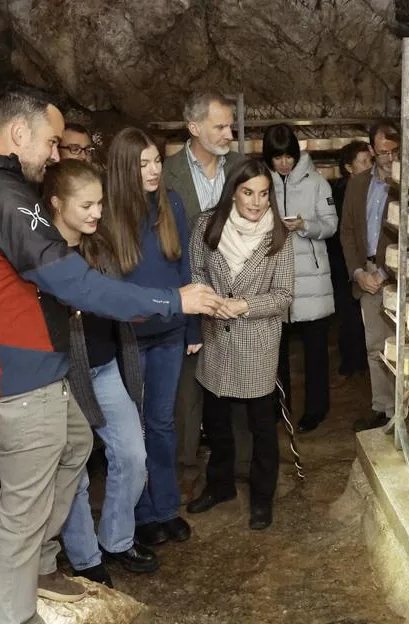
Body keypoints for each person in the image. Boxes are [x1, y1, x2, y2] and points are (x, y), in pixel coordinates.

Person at [0, 88, 222, 624]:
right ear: (20, 132)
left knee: (75, 444)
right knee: (22, 507)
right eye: (51, 142)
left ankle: (47, 564)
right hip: (17, 369)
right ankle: (16, 614)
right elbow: (73, 282)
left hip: (39, 360)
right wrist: (172, 299)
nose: (56, 155)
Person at [43, 159, 157, 588]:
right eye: (87, 204)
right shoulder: (41, 254)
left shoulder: (99, 245)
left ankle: (116, 537)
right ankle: (85, 556)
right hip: (60, 375)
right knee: (72, 468)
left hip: (106, 367)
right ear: (56, 204)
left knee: (132, 454)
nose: (96, 213)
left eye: (100, 204)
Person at [186, 157, 294, 530]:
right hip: (216, 338)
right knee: (216, 423)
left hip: (257, 345)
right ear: (233, 191)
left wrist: (246, 305)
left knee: (261, 428)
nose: (256, 202)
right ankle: (220, 485)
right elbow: (197, 270)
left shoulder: (278, 235)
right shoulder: (206, 224)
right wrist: (209, 300)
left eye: (264, 194)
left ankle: (262, 498)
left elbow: (283, 295)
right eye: (248, 192)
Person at [105, 127, 199, 547]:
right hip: (130, 336)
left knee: (162, 423)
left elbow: (183, 271)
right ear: (124, 167)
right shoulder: (107, 213)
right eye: (143, 163)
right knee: (135, 428)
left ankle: (165, 507)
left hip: (170, 333)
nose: (153, 170)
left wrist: (193, 324)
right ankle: (141, 514)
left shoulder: (171, 203)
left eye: (157, 161)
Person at [162, 90, 250, 490]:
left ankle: (238, 464)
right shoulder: (165, 175)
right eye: (219, 126)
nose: (229, 133)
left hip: (237, 297)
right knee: (188, 390)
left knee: (238, 381)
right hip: (189, 295)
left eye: (230, 125)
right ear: (194, 128)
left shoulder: (243, 169)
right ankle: (185, 468)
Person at [262, 124, 337, 433]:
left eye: (288, 156)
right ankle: (279, 408)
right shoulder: (261, 182)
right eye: (277, 157)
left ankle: (316, 411)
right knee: (273, 351)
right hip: (274, 276)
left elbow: (330, 225)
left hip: (312, 279)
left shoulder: (317, 182)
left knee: (315, 351)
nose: (284, 163)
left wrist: (305, 225)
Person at [340, 120, 400, 433]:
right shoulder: (359, 183)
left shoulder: (405, 185)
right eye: (383, 152)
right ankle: (383, 408)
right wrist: (358, 271)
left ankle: (402, 413)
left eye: (394, 151)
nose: (389, 159)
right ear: (371, 151)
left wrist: (388, 272)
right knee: (375, 346)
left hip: (398, 276)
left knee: (400, 347)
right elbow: (347, 230)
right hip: (368, 272)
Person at [327, 141, 371, 380]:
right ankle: (350, 361)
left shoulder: (373, 188)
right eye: (363, 162)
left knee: (362, 315)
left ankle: (361, 361)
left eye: (370, 161)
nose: (368, 166)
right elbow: (340, 232)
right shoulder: (340, 192)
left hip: (361, 261)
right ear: (348, 167)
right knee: (349, 314)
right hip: (343, 262)